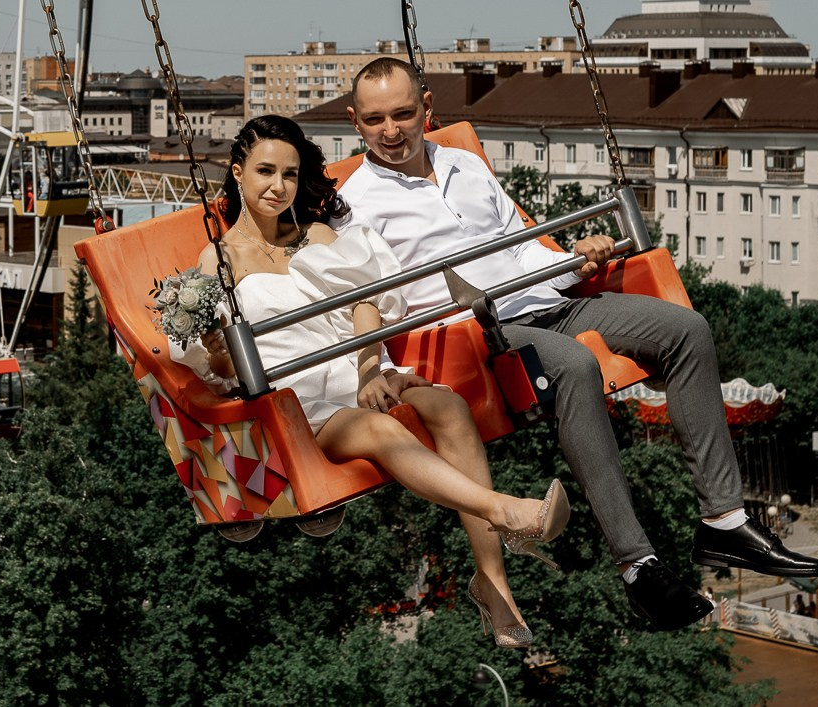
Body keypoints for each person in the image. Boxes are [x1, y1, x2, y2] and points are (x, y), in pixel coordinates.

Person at [336, 57, 818, 631]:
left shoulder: (463, 164)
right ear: (354, 121)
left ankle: (724, 522)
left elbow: (520, 246)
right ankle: (638, 567)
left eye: (402, 114)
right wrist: (382, 369)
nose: (391, 131)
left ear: (427, 107)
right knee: (574, 365)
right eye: (375, 120)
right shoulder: (356, 203)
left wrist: (574, 259)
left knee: (686, 330)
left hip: (543, 299)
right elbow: (363, 296)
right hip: (476, 331)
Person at [192, 115, 568, 649]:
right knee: (381, 429)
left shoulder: (318, 235)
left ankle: (494, 582)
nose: (278, 187)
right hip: (296, 402)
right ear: (238, 173)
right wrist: (218, 353)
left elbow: (365, 303)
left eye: (290, 175)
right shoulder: (218, 261)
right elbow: (223, 369)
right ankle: (504, 510)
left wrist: (372, 369)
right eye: (265, 172)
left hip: (358, 369)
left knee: (448, 406)